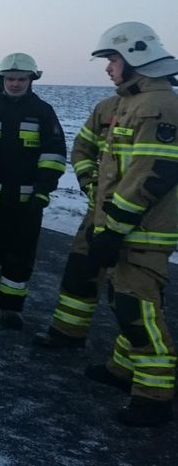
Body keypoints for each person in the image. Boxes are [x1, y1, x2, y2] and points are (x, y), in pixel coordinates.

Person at [76, 22, 178, 427]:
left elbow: (147, 177)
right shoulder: (135, 103)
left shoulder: (157, 106)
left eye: (113, 60)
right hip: (129, 227)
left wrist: (112, 228)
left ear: (136, 58)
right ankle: (122, 370)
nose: (108, 69)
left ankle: (154, 396)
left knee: (139, 310)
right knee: (122, 302)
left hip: (142, 231)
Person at [0, 53, 66, 329]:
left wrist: (43, 191)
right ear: (2, 79)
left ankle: (11, 308)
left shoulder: (44, 112)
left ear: (31, 79)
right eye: (10, 79)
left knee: (20, 254)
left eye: (21, 79)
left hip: (26, 200)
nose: (15, 84)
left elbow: (54, 154)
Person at [32, 95, 118, 349]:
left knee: (131, 292)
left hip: (144, 220)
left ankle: (140, 366)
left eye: (114, 61)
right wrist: (91, 185)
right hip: (99, 211)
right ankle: (67, 333)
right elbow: (82, 148)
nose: (108, 68)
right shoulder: (106, 108)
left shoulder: (165, 109)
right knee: (80, 270)